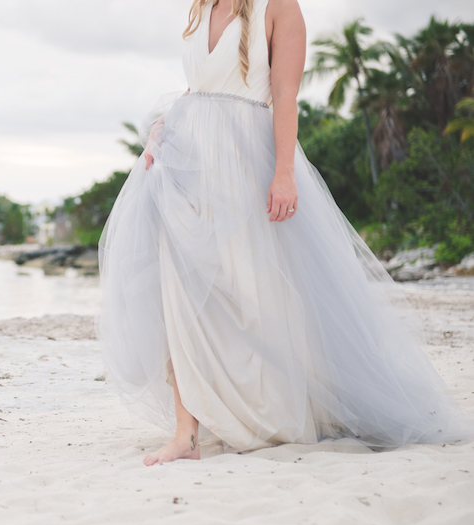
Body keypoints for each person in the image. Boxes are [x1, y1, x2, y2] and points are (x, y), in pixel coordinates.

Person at [96, 0, 472, 465]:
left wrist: (285, 173)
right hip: (184, 162)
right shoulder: (199, 9)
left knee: (250, 292)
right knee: (179, 290)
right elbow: (198, 88)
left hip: (241, 163)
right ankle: (185, 433)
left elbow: (285, 95)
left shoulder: (280, 8)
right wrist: (163, 124)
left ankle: (270, 407)